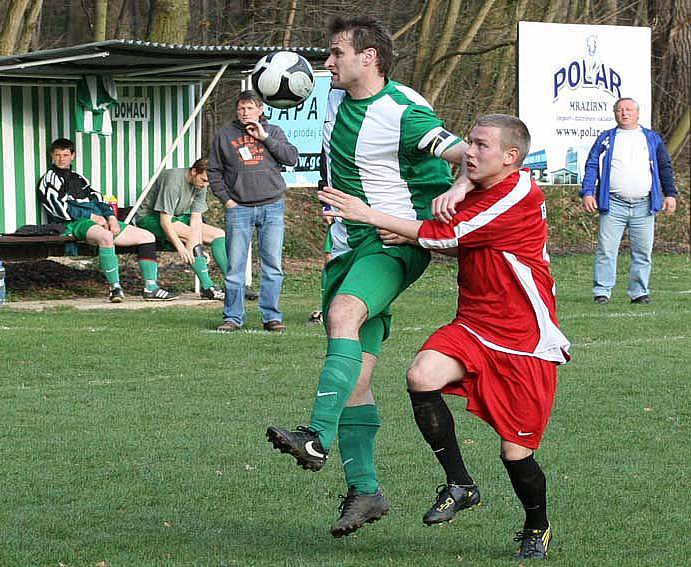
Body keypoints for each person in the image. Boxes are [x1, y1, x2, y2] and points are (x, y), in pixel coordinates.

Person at [318, 114, 570, 560]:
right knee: (421, 374)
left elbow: (449, 234)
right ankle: (460, 483)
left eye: (481, 146)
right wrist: (457, 187)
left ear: (511, 158)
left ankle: (537, 525)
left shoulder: (516, 194)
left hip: (523, 338)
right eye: (469, 142)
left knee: (516, 453)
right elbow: (461, 235)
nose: (469, 152)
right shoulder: (488, 183)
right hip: (474, 322)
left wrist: (369, 214)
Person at [266, 16, 472, 538]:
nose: (327, 63)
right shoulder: (337, 100)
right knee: (355, 375)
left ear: (370, 57)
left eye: (336, 53)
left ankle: (314, 435)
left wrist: (448, 202)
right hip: (346, 247)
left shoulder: (403, 109)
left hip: (389, 243)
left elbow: (465, 154)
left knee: (343, 313)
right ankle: (365, 491)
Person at [37, 138, 177, 303]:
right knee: (106, 237)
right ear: (52, 156)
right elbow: (58, 208)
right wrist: (90, 216)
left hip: (100, 220)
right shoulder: (49, 179)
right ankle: (115, 288)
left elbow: (98, 199)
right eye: (58, 155)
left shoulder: (79, 178)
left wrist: (111, 218)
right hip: (72, 223)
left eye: (65, 155)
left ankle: (151, 288)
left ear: (72, 156)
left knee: (147, 237)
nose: (61, 159)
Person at [207, 90, 298, 332]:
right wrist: (227, 200)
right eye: (241, 109)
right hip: (239, 209)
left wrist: (265, 137)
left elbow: (291, 158)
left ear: (261, 110)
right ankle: (233, 317)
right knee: (235, 267)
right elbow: (213, 171)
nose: (245, 112)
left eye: (249, 108)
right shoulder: (224, 135)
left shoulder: (274, 132)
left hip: (272, 205)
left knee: (273, 265)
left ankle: (271, 317)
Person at [580, 97, 677, 305]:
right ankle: (602, 292)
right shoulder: (605, 138)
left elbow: (664, 166)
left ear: (637, 113)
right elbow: (592, 165)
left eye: (629, 110)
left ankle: (639, 292)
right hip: (613, 204)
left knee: (643, 251)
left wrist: (670, 194)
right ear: (615, 114)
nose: (624, 113)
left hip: (644, 204)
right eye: (620, 110)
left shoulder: (652, 139)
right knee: (606, 249)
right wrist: (588, 192)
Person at [134, 159, 227, 300]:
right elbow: (165, 220)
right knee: (190, 235)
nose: (205, 185)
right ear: (194, 171)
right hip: (150, 217)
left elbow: (196, 218)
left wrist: (198, 247)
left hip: (178, 217)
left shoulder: (201, 185)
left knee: (219, 235)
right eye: (203, 180)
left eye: (208, 182)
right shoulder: (174, 181)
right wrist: (181, 248)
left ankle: (233, 284)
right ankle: (208, 287)